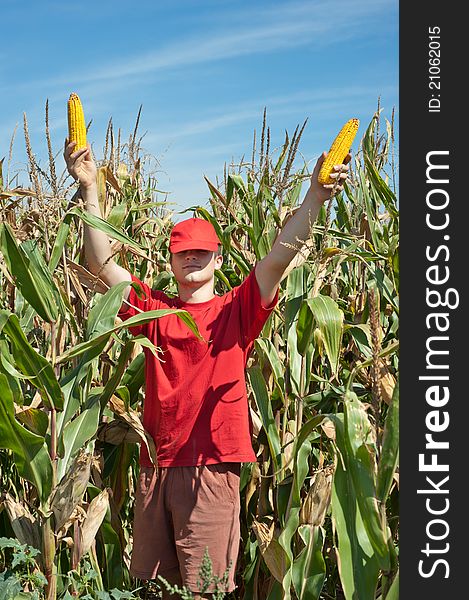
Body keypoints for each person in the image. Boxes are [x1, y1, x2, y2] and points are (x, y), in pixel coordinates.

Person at [64, 137, 349, 599]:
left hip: (210, 471)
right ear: (172, 262)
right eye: (183, 253)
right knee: (154, 590)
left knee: (205, 591)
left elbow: (280, 255)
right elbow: (101, 264)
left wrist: (315, 196)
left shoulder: (238, 309)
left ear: (218, 259)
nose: (192, 258)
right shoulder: (154, 312)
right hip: (156, 466)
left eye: (201, 252)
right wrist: (91, 188)